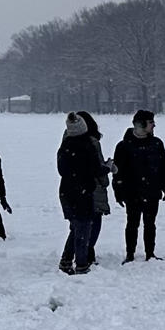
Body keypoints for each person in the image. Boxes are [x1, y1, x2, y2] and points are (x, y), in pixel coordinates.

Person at [111, 109, 165, 262]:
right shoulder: (123, 146)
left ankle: (150, 253)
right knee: (132, 224)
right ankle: (130, 254)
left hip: (152, 191)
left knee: (150, 224)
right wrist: (118, 192)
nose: (154, 125)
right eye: (151, 122)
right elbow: (117, 172)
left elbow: (163, 166)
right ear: (140, 124)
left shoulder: (157, 144)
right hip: (132, 193)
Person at [57, 111, 109, 274]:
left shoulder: (65, 146)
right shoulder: (88, 145)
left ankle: (66, 261)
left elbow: (62, 170)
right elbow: (96, 169)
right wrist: (108, 168)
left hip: (67, 191)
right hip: (84, 192)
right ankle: (82, 263)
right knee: (84, 229)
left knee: (76, 228)